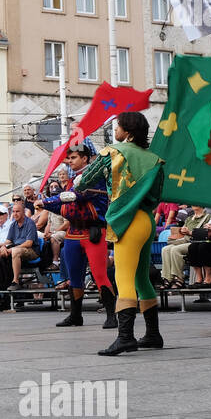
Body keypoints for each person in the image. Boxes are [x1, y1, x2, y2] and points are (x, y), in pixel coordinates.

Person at [74, 112, 164, 356]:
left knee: (124, 279)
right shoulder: (155, 160)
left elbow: (85, 180)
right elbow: (156, 196)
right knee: (142, 279)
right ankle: (153, 334)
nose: (115, 130)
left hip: (127, 221)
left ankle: (125, 337)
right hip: (146, 220)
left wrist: (78, 184)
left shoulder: (112, 152)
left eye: (117, 126)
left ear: (128, 130)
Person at [40, 140, 116, 329]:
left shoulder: (92, 176)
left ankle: (111, 315)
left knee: (99, 274)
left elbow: (75, 196)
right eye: (69, 158)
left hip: (93, 230)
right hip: (73, 232)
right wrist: (47, 204)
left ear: (85, 158)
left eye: (74, 157)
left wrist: (47, 203)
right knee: (74, 277)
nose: (70, 161)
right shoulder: (73, 181)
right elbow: (66, 205)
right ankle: (75, 315)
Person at [160, 206, 211, 289]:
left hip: (195, 242)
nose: (193, 205)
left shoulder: (208, 217)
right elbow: (183, 230)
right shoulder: (190, 218)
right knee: (165, 249)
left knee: (175, 249)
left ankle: (179, 278)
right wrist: (181, 230)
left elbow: (206, 234)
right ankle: (167, 278)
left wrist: (189, 232)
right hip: (185, 240)